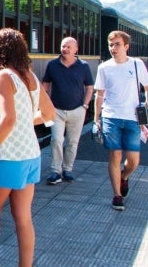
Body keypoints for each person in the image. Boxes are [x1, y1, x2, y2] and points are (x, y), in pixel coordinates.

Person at [0, 28, 55, 267]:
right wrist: (26, 120)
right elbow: (50, 114)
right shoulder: (29, 76)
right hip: (31, 155)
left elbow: (7, 119)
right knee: (23, 218)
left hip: (7, 157)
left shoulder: (3, 77)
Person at [93, 30, 148, 211]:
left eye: (117, 44)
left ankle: (124, 176)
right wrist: (97, 118)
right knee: (115, 155)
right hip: (111, 117)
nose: (113, 48)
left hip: (133, 117)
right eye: (111, 45)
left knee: (134, 160)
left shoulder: (136, 64)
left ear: (126, 46)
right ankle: (117, 195)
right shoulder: (104, 67)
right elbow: (100, 94)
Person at [42, 37, 94, 184]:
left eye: (68, 47)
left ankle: (67, 169)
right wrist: (45, 102)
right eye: (63, 46)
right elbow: (45, 84)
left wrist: (85, 105)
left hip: (77, 110)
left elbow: (89, 87)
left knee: (72, 142)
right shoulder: (52, 65)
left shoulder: (83, 66)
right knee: (56, 140)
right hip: (56, 110)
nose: (65, 49)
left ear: (76, 49)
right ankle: (55, 171)